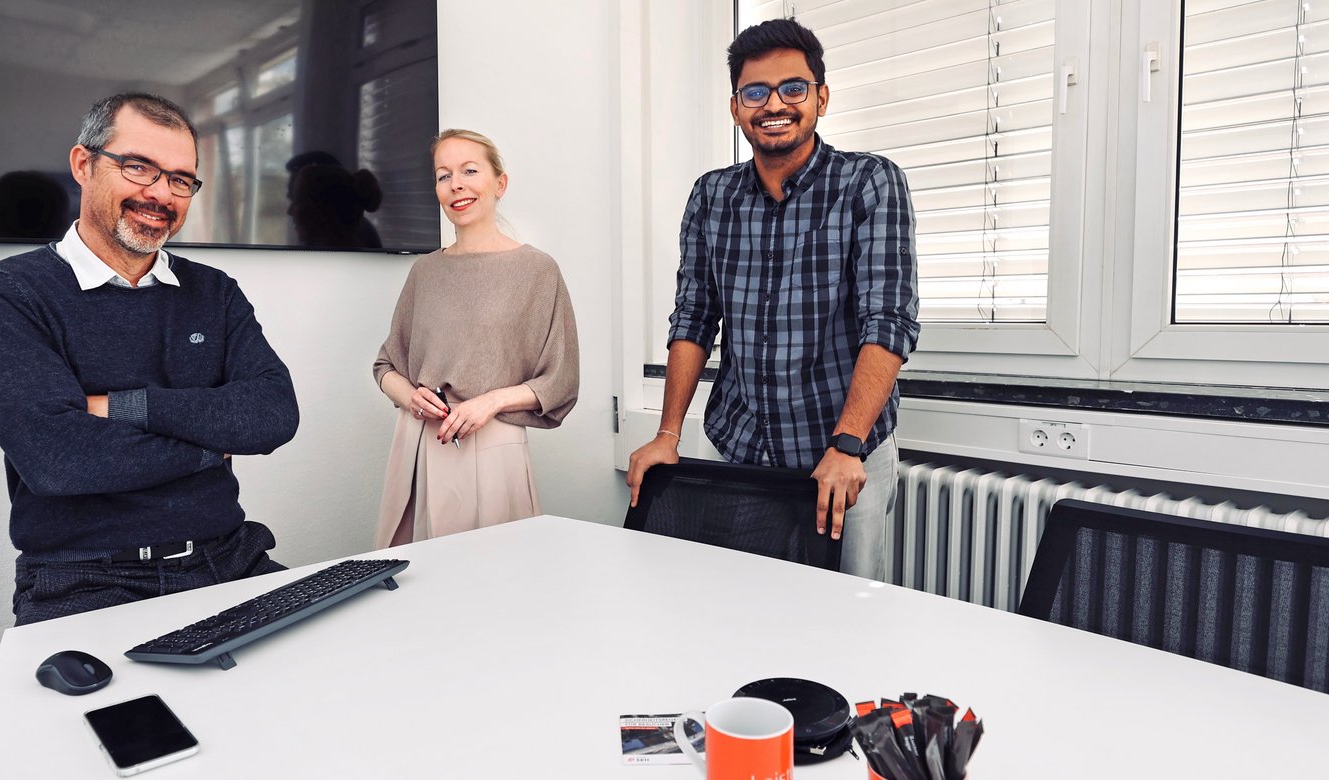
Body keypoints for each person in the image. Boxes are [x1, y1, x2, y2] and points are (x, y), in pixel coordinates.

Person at [0, 93, 299, 625]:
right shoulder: (13, 291)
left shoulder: (214, 292)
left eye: (180, 179)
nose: (160, 194)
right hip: (87, 578)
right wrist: (212, 445)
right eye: (139, 167)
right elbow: (56, 460)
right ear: (84, 164)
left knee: (343, 674)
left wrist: (118, 408)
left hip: (232, 558)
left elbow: (273, 415)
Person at [625, 19, 920, 581]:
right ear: (736, 108)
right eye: (755, 92)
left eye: (793, 88)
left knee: (844, 616)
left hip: (840, 453)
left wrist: (847, 445)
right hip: (737, 446)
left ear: (821, 98)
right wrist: (668, 434)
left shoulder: (870, 183)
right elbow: (693, 318)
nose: (774, 104)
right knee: (734, 602)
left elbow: (888, 322)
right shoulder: (712, 196)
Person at [371, 129, 578, 547]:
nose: (456, 185)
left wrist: (492, 401)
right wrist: (410, 395)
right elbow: (385, 367)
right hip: (418, 446)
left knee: (496, 582)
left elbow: (560, 380)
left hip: (493, 444)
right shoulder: (424, 272)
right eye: (443, 175)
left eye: (469, 170)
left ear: (499, 183)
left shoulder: (537, 271)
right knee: (417, 588)